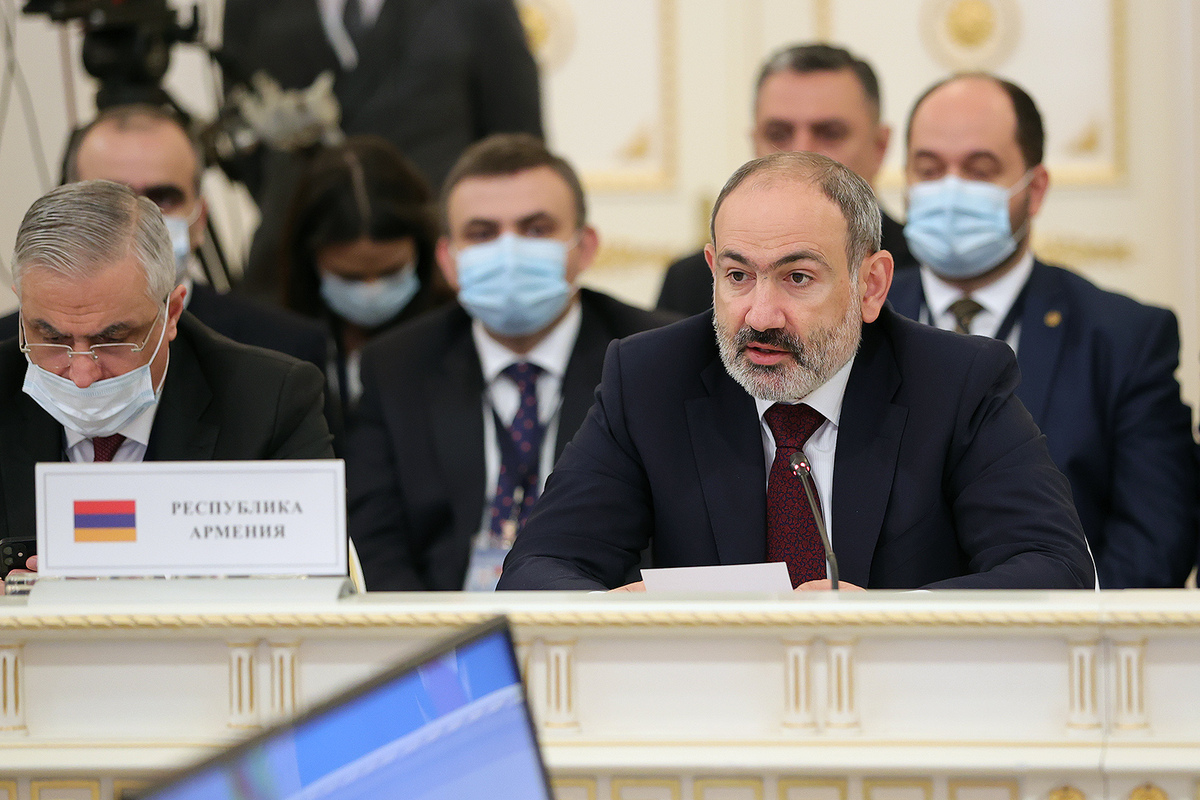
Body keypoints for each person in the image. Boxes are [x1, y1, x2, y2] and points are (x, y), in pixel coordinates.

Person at [497, 151, 1095, 592]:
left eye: (798, 277)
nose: (760, 315)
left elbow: (1054, 568)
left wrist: (884, 619)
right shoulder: (650, 379)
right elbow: (536, 569)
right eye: (737, 276)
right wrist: (637, 611)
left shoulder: (958, 383)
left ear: (872, 285)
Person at [888, 74, 1197, 588]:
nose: (950, 190)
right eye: (929, 169)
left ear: (1035, 190)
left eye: (980, 170)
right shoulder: (856, 321)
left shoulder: (1124, 338)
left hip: (1067, 631)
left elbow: (1155, 541)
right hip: (883, 630)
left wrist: (1062, 624)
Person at [346, 133, 677, 591]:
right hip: (441, 622)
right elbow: (375, 543)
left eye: (536, 229)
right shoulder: (395, 365)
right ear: (447, 259)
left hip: (596, 616)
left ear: (585, 247)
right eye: (482, 234)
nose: (509, 253)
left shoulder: (657, 358)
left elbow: (669, 538)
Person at [0, 180, 334, 541]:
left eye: (112, 339)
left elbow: (308, 562)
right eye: (52, 338)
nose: (82, 374)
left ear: (171, 313)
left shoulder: (271, 404)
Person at [219, 0, 543, 297]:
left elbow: (515, 142)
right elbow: (243, 137)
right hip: (290, 270)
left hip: (437, 272)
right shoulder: (249, 7)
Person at [0, 105, 334, 381]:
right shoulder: (5, 351)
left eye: (163, 198)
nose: (139, 219)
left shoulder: (284, 352)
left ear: (200, 219)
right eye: (110, 199)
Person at [657, 43, 914, 317]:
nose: (800, 152)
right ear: (754, 144)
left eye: (830, 133)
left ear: (879, 146)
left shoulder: (923, 268)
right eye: (778, 134)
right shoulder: (691, 283)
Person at [278, 135, 454, 418]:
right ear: (309, 260)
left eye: (391, 272)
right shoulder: (273, 341)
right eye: (349, 278)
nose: (372, 291)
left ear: (425, 251)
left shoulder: (459, 334)